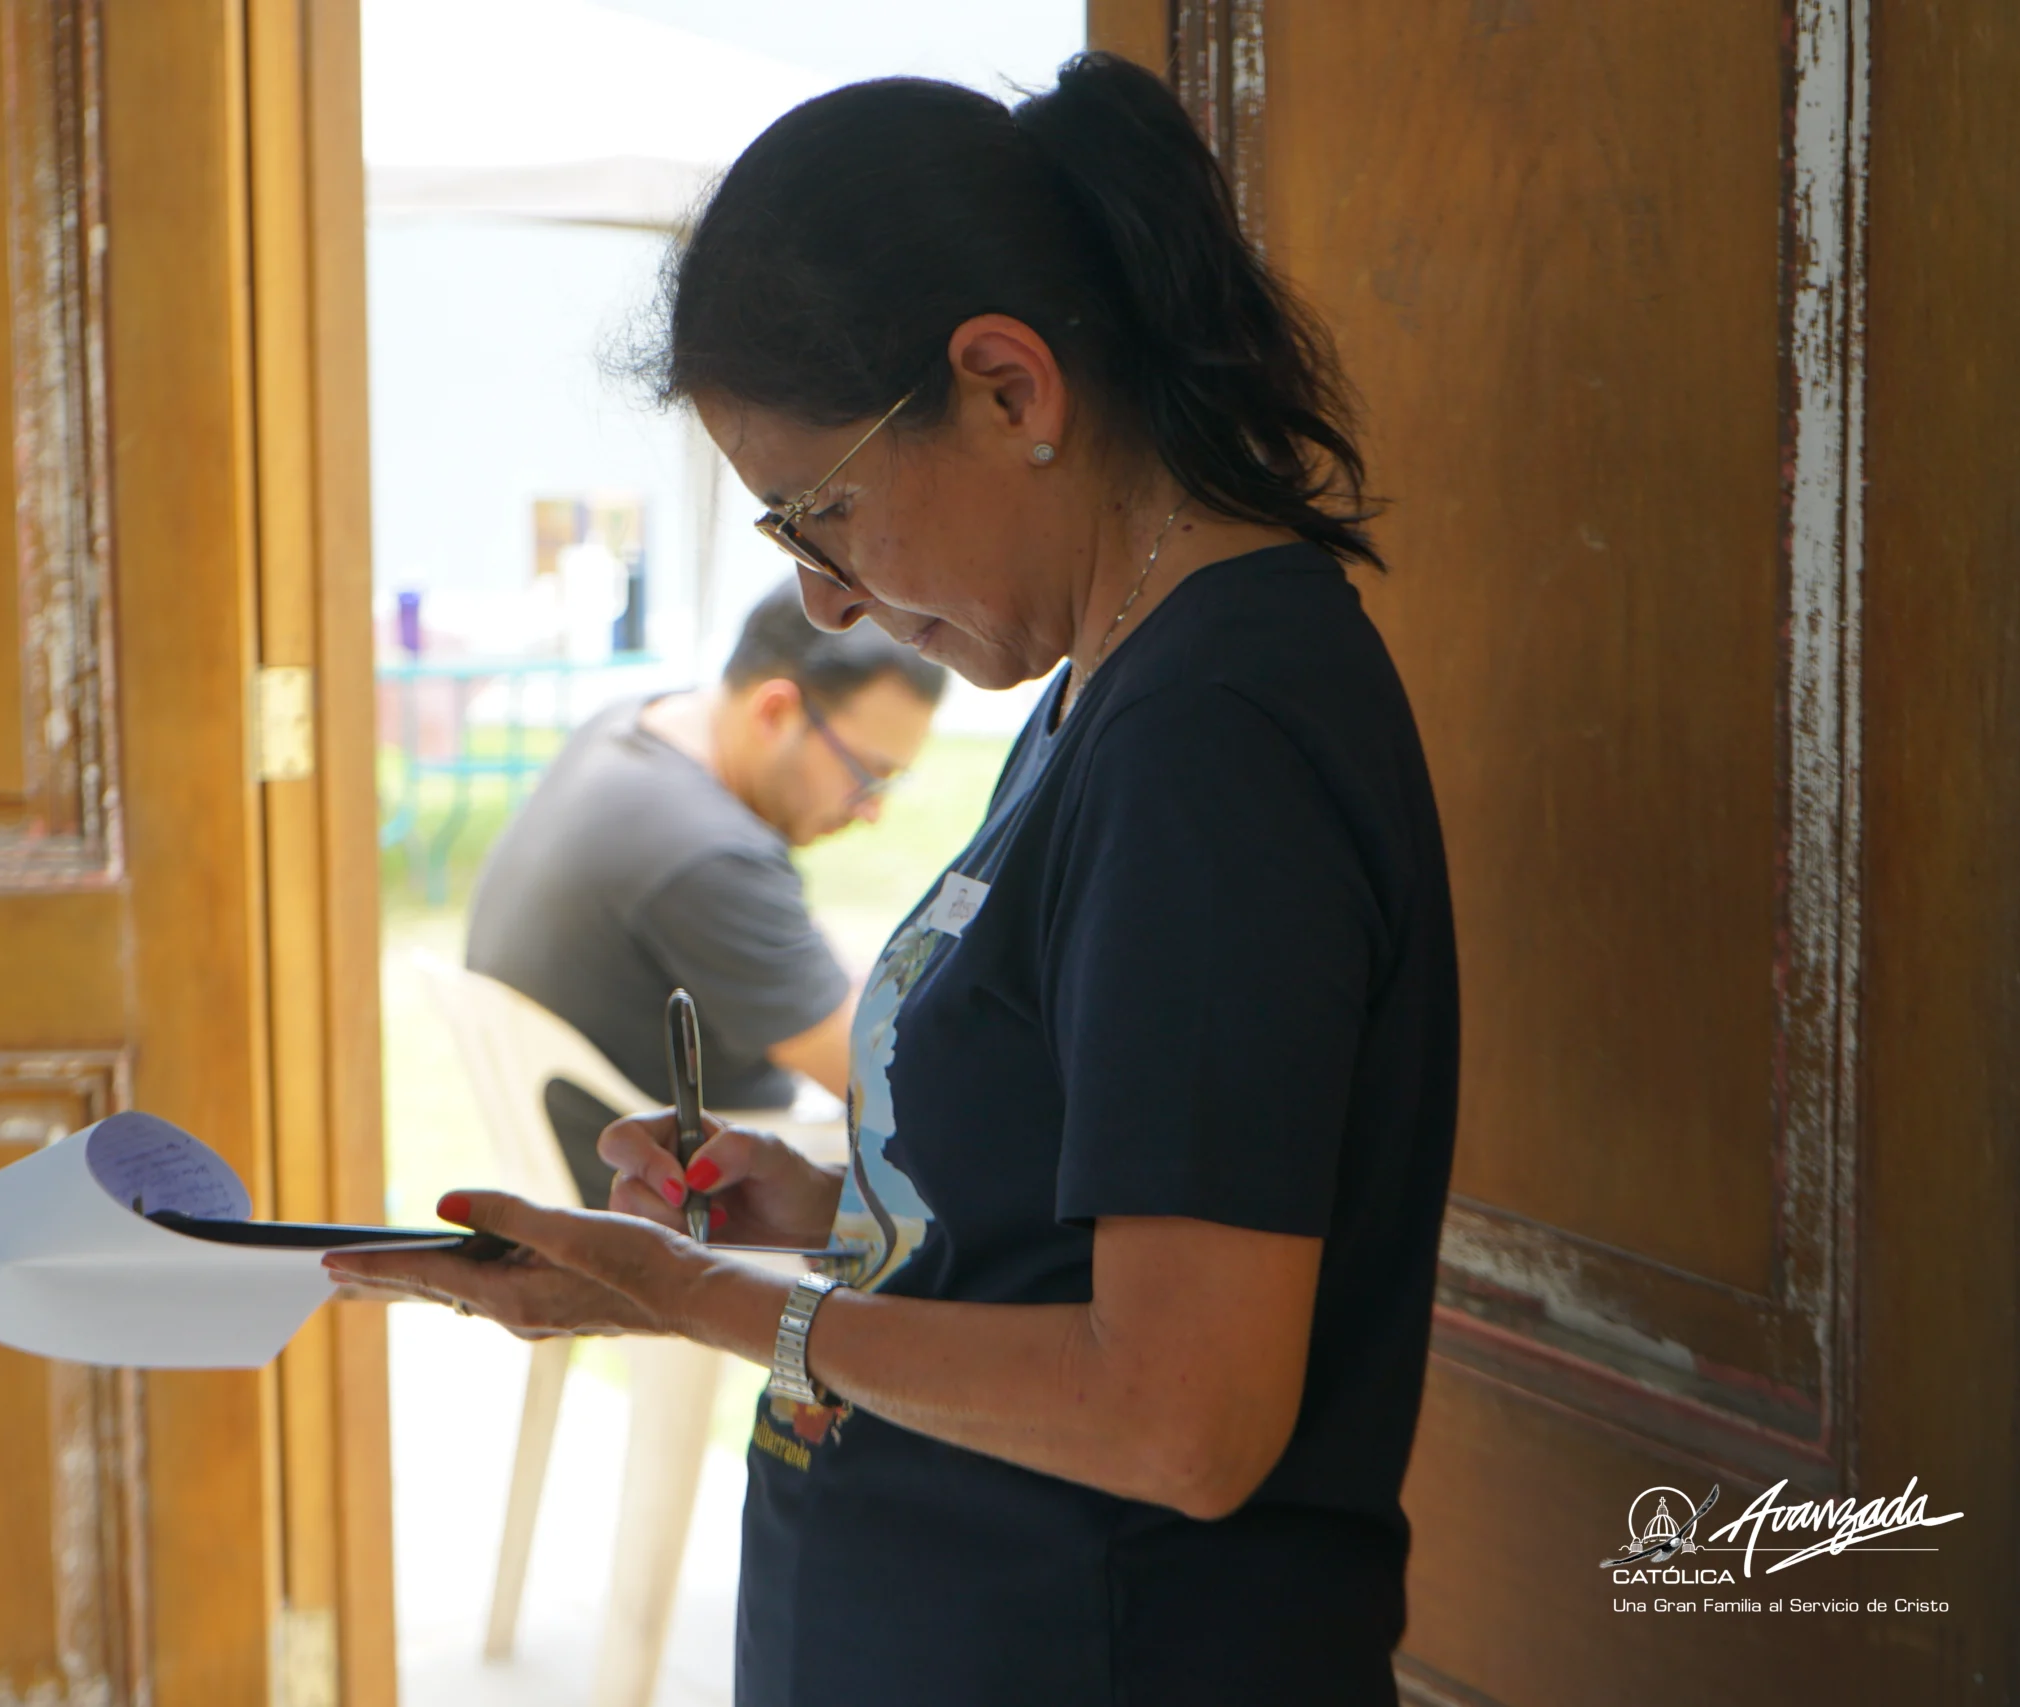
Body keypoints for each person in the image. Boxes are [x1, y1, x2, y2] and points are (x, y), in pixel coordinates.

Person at [334, 52, 1458, 1706]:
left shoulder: (1214, 741)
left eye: (822, 511)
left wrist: (701, 1296)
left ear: (1008, 389)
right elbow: (1073, 1198)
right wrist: (833, 1204)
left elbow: (1182, 1413)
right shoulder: (1107, 683)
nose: (826, 600)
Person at [465, 583, 945, 1208]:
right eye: (867, 774)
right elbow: (890, 1083)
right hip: (672, 1203)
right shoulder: (708, 855)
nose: (872, 811)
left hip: (582, 1146)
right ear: (774, 712)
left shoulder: (630, 728)